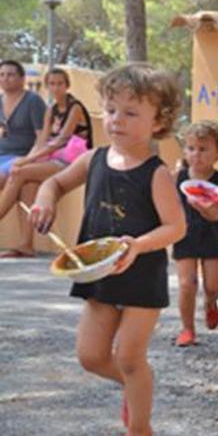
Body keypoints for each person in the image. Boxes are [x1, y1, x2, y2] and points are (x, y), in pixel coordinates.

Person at [28, 63, 186, 436]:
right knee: (91, 356)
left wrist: (139, 245)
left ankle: (141, 427)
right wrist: (44, 200)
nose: (117, 120)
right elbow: (54, 183)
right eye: (112, 110)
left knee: (131, 358)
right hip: (95, 270)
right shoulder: (94, 159)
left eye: (131, 113)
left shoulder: (156, 173)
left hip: (140, 275)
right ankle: (135, 388)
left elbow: (176, 227)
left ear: (158, 122)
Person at [0, 68, 93, 234]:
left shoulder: (75, 107)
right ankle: (25, 246)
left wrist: (26, 161)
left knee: (19, 173)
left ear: (67, 85)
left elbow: (60, 141)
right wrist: (26, 159)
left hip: (73, 161)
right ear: (47, 86)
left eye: (60, 84)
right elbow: (41, 141)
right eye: (52, 84)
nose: (56, 88)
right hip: (54, 159)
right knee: (27, 182)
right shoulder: (51, 110)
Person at [171, 120, 218, 347]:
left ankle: (211, 303)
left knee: (213, 287)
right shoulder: (178, 177)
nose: (196, 154)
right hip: (185, 234)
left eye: (203, 149)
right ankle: (187, 329)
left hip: (210, 235)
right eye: (191, 148)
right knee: (187, 283)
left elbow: (215, 215)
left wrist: (199, 205)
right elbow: (168, 203)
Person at [0, 59, 48, 258]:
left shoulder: (33, 101)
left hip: (23, 156)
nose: (5, 78)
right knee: (28, 189)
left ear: (22, 78)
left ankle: (25, 244)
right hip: (3, 155)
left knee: (22, 178)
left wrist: (28, 160)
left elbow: (42, 137)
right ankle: (25, 245)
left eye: (10, 74)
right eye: (2, 75)